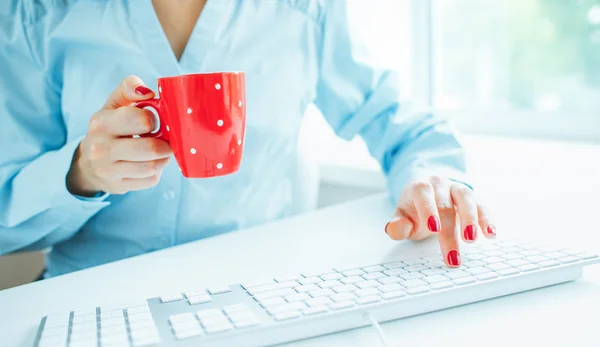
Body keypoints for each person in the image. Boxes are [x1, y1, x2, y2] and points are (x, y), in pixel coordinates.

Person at [0, 0, 495, 279]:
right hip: (87, 297)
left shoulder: (306, 10)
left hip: (261, 291)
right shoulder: (34, 15)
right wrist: (80, 173)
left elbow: (402, 122)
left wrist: (432, 178)